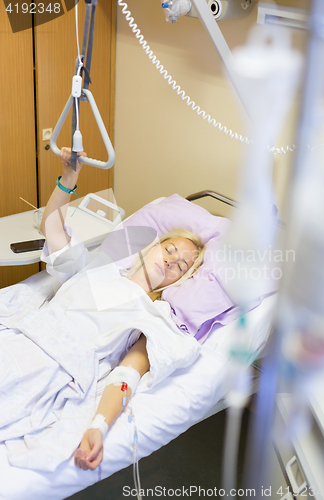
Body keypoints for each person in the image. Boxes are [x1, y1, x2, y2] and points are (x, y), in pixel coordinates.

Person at [0, 148, 204, 472]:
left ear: (179, 281)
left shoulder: (153, 316)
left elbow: (127, 375)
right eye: (169, 250)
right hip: (19, 336)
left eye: (180, 266)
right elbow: (53, 229)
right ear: (152, 246)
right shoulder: (97, 267)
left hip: (47, 370)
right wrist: (68, 179)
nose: (169, 261)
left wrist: (99, 425)